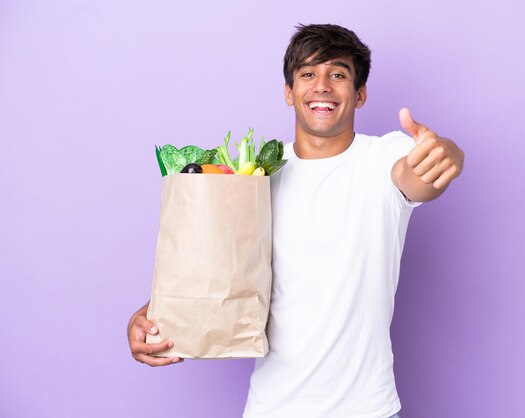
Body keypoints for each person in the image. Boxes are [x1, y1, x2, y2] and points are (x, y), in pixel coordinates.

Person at [127, 23, 464, 418]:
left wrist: (445, 155)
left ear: (360, 94)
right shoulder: (256, 176)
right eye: (308, 74)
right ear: (289, 93)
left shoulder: (383, 158)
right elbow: (222, 272)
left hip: (366, 409)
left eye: (338, 74)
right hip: (271, 407)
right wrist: (154, 314)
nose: (322, 85)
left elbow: (420, 175)